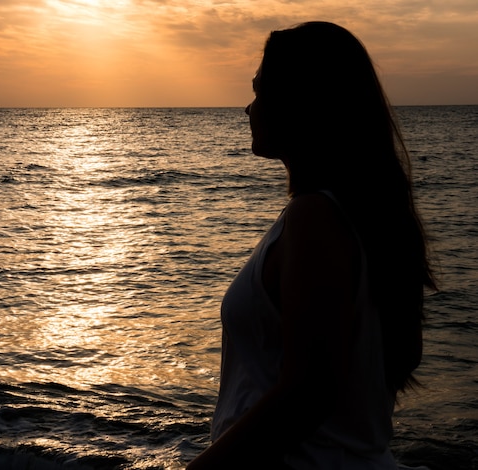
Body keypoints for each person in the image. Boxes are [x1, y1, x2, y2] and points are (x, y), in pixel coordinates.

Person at [186, 22, 436, 469]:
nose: (249, 108)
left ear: (299, 101)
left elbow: (307, 394)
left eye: (260, 91)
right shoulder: (362, 220)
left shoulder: (315, 218)